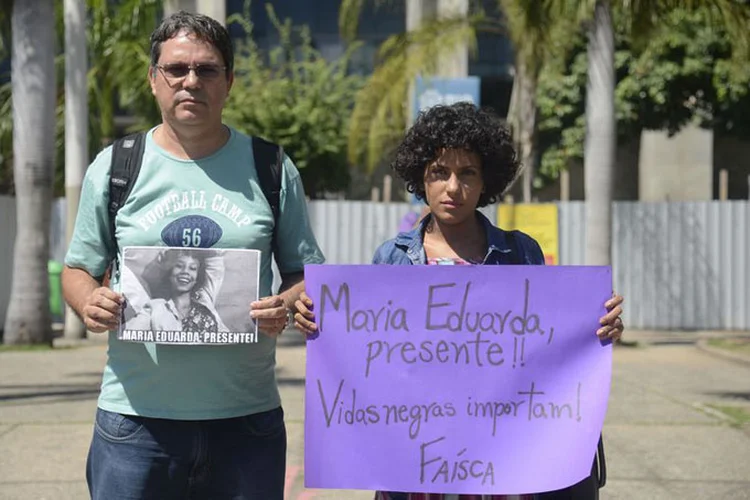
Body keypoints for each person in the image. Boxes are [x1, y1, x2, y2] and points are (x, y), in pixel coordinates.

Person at [294, 102, 624, 500]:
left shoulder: (520, 253)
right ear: (422, 177)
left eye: (468, 173)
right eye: (440, 172)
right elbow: (369, 360)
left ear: (486, 182)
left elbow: (549, 347)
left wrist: (597, 328)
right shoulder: (393, 257)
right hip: (414, 470)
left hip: (505, 469)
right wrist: (318, 322)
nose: (454, 187)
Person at [61, 11, 324, 500]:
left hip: (244, 424)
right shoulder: (116, 167)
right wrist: (88, 301)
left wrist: (287, 304)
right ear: (153, 80)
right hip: (135, 425)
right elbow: (78, 268)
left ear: (229, 81)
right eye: (176, 69)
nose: (190, 81)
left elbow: (306, 275)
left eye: (206, 70)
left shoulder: (270, 167)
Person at [127, 248, 230, 333]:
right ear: (169, 273)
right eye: (179, 266)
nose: (185, 272)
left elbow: (215, 263)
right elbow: (129, 333)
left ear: (198, 277)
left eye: (193, 268)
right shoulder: (155, 308)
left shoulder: (205, 298)